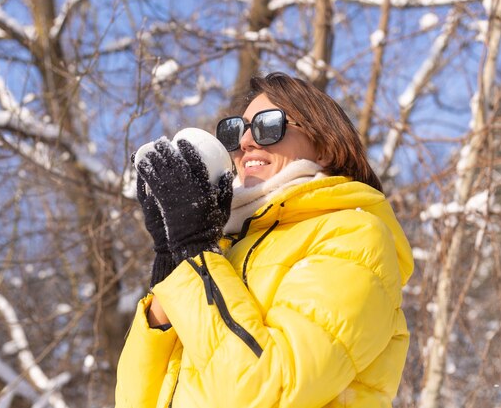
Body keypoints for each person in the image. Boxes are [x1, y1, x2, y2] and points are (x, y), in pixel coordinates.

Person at [116, 72, 414, 408]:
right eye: (236, 130)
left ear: (327, 147)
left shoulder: (354, 237)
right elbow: (133, 400)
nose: (245, 142)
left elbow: (262, 391)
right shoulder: (225, 252)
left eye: (268, 125)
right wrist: (172, 262)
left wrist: (195, 253)